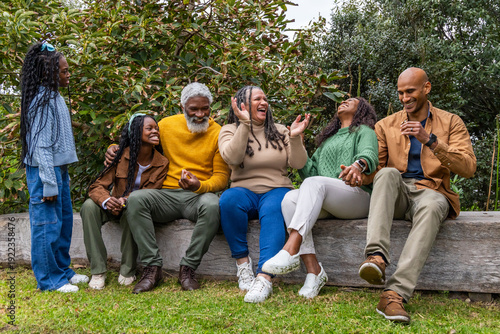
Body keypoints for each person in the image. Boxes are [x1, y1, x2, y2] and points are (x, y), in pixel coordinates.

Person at [357, 68, 476, 323]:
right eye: (400, 93)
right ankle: (376, 258)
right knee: (387, 174)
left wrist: (430, 140)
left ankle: (394, 294)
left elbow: (468, 168)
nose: (404, 98)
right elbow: (376, 172)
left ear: (426, 88)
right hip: (398, 193)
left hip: (431, 191)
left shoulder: (451, 122)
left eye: (409, 91)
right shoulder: (385, 125)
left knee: (433, 205)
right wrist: (359, 173)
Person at [105, 82, 229, 293]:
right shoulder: (166, 125)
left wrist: (199, 185)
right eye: (194, 109)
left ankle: (188, 268)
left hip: (197, 196)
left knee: (213, 204)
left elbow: (222, 178)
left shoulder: (218, 133)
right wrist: (113, 148)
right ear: (182, 107)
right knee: (136, 199)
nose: (200, 114)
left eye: (205, 108)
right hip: (165, 195)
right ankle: (152, 268)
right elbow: (138, 140)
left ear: (211, 106)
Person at [262, 97, 379, 299]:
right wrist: (296, 139)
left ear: (362, 109)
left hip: (357, 196)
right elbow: (309, 173)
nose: (344, 101)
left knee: (315, 184)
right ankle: (314, 271)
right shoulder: (328, 139)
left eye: (351, 100)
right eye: (342, 100)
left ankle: (290, 248)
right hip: (329, 198)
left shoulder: (364, 131)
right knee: (289, 198)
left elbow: (369, 154)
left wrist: (358, 165)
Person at [218, 85, 310, 303]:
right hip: (243, 190)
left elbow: (298, 163)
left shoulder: (279, 130)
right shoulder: (229, 129)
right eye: (257, 99)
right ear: (242, 105)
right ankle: (243, 266)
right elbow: (231, 158)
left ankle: (265, 277)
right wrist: (245, 125)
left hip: (277, 189)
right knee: (228, 201)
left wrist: (295, 137)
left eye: (265, 98)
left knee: (273, 208)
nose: (264, 102)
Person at [20, 42, 88, 292]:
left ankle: (62, 271)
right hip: (44, 172)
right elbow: (41, 146)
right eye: (64, 71)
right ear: (49, 73)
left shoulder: (54, 96)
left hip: (58, 170)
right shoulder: (41, 100)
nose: (68, 74)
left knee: (63, 223)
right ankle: (49, 280)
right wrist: (49, 181)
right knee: (47, 225)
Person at [81, 114, 169, 290]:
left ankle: (127, 270)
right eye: (149, 128)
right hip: (112, 204)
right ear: (136, 132)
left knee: (134, 209)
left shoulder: (161, 163)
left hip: (134, 208)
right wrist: (107, 200)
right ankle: (98, 271)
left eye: (156, 128)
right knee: (88, 207)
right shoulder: (119, 155)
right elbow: (97, 185)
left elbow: (151, 192)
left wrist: (125, 200)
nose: (155, 131)